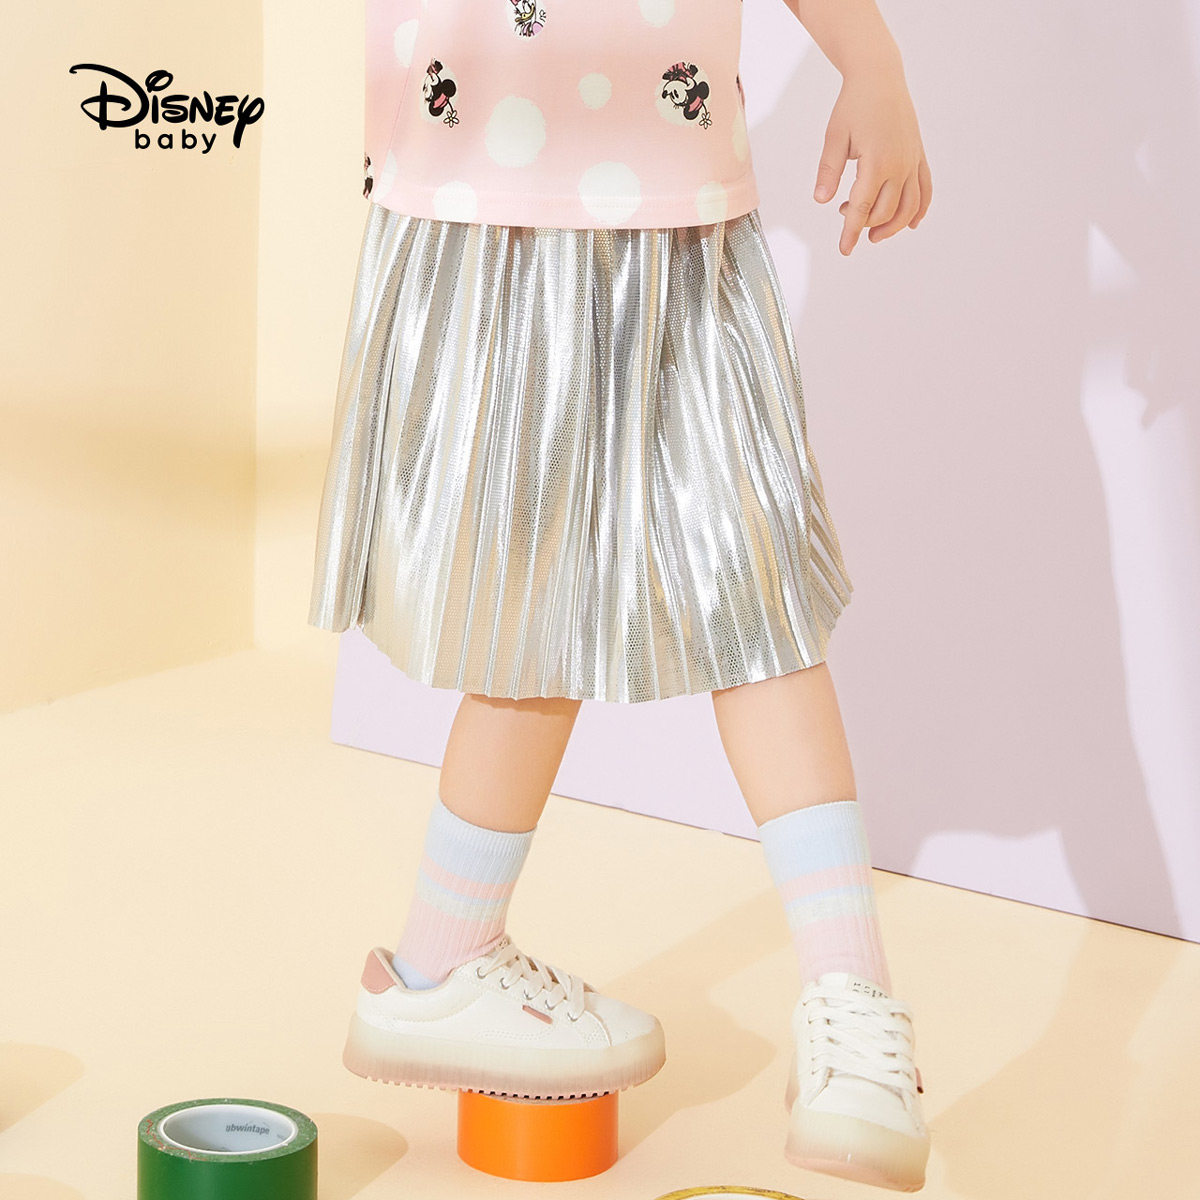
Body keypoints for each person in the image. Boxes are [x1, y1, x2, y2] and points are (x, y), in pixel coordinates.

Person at [308, 0, 933, 1190]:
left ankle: (850, 999)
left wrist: (872, 54)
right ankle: (441, 960)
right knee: (532, 609)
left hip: (671, 193)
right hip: (482, 183)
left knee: (756, 586)